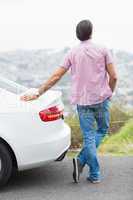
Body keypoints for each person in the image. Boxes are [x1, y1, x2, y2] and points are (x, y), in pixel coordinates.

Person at [20, 20, 117, 184]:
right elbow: (114, 76)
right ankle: (83, 164)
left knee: (88, 137)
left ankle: (91, 170)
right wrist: (109, 93)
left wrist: (38, 92)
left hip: (83, 101)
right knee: (102, 129)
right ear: (91, 32)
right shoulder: (103, 49)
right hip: (101, 99)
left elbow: (56, 76)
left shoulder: (72, 52)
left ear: (77, 34)